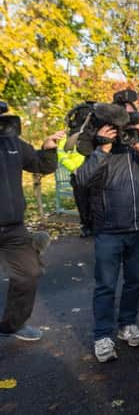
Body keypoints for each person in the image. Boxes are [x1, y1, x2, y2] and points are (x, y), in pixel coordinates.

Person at [75, 104, 139, 362]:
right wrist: (102, 149)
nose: (122, 135)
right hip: (109, 230)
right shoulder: (100, 151)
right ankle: (102, 336)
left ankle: (127, 325)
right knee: (105, 285)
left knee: (135, 281)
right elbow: (82, 180)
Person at [0, 117, 63, 341]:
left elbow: (42, 165)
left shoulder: (12, 144)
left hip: (12, 228)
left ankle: (12, 324)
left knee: (29, 273)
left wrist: (47, 149)